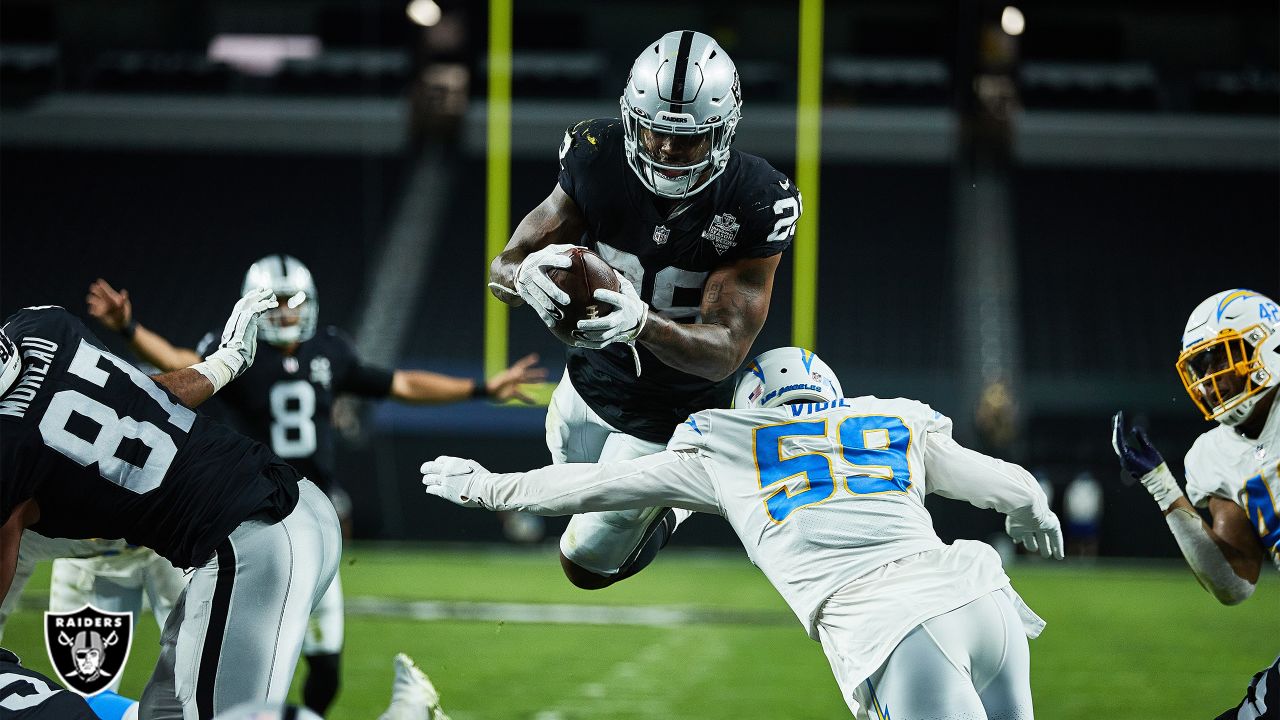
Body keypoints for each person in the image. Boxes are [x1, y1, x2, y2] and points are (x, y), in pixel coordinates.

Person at [422, 347, 1064, 717]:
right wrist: (1033, 518)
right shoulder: (889, 417)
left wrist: (487, 486)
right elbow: (1015, 487)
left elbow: (590, 487)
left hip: (896, 627)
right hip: (985, 601)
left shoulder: (727, 444)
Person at [84, 255, 545, 716]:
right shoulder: (240, 350)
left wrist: (481, 389)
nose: (288, 312)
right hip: (252, 515)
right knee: (249, 658)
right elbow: (186, 365)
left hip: (312, 514)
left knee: (326, 666)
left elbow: (399, 382)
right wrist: (130, 329)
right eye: (277, 303)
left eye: (296, 301)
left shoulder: (330, 350)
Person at [487, 30, 802, 590]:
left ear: (723, 132)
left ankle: (676, 498)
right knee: (565, 504)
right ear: (631, 118)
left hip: (670, 414)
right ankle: (662, 496)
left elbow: (724, 352)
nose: (666, 150)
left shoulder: (756, 199)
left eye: (688, 140)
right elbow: (505, 265)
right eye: (656, 132)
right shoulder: (594, 154)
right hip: (586, 387)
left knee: (583, 565)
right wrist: (523, 276)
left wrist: (641, 323)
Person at [0, 294, 342, 719]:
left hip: (251, 539)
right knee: (163, 714)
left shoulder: (9, 448)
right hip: (292, 509)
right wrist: (226, 362)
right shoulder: (43, 326)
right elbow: (141, 394)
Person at [1112, 288, 1280, 718]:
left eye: (1223, 357)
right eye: (1203, 365)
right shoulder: (1215, 455)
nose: (1212, 378)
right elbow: (1234, 584)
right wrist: (1163, 487)